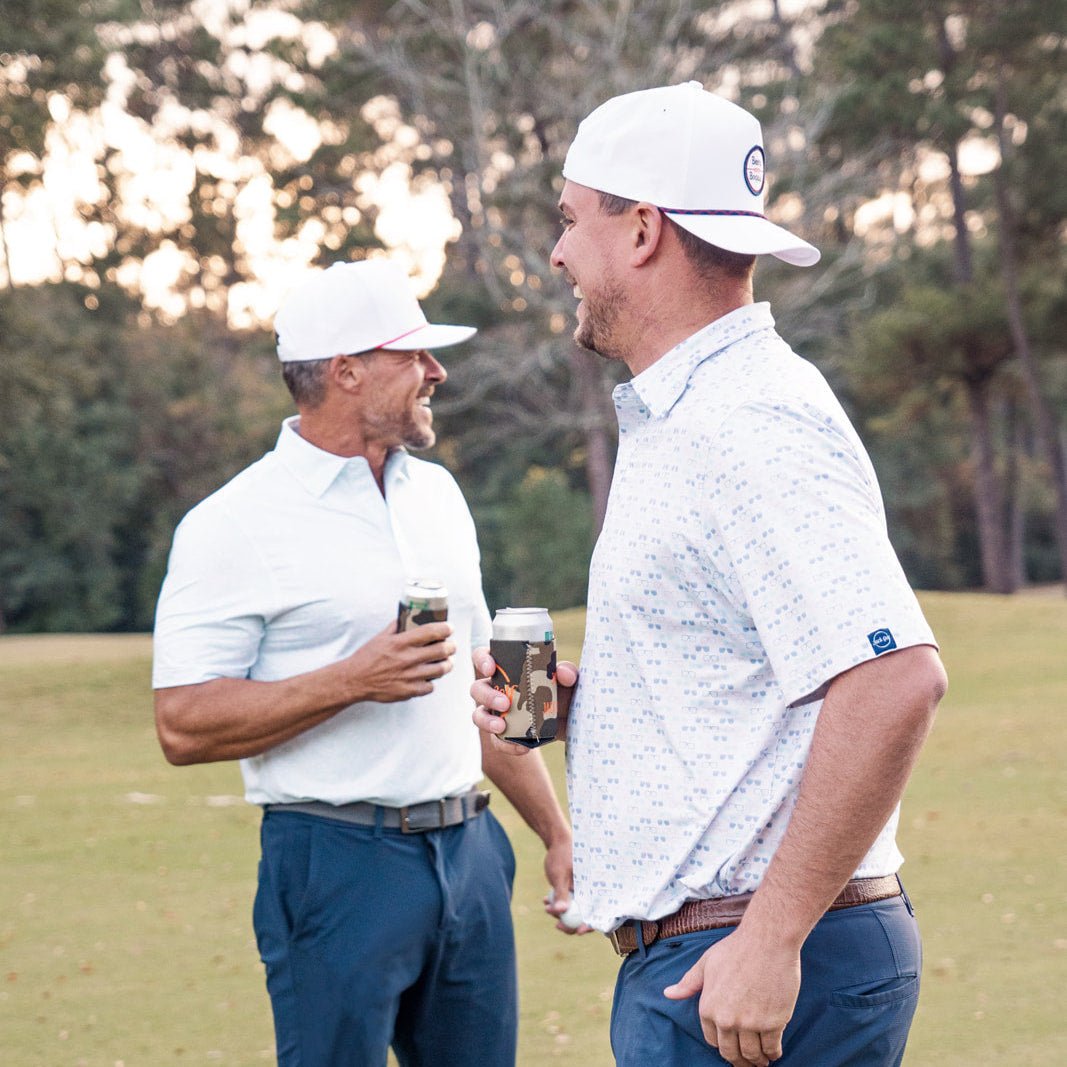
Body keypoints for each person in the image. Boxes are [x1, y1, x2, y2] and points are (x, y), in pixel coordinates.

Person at [472, 82, 948, 1067]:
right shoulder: (687, 415)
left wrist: (769, 938)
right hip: (714, 960)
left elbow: (893, 675)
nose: (557, 252)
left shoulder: (749, 418)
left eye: (569, 219)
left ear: (641, 228)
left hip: (751, 964)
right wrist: (587, 703)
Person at [152, 259, 574, 1067]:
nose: (435, 372)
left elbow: (486, 685)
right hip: (335, 860)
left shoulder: (438, 495)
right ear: (346, 372)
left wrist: (556, 832)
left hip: (471, 852)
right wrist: (355, 679)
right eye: (412, 355)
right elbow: (180, 724)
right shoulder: (231, 524)